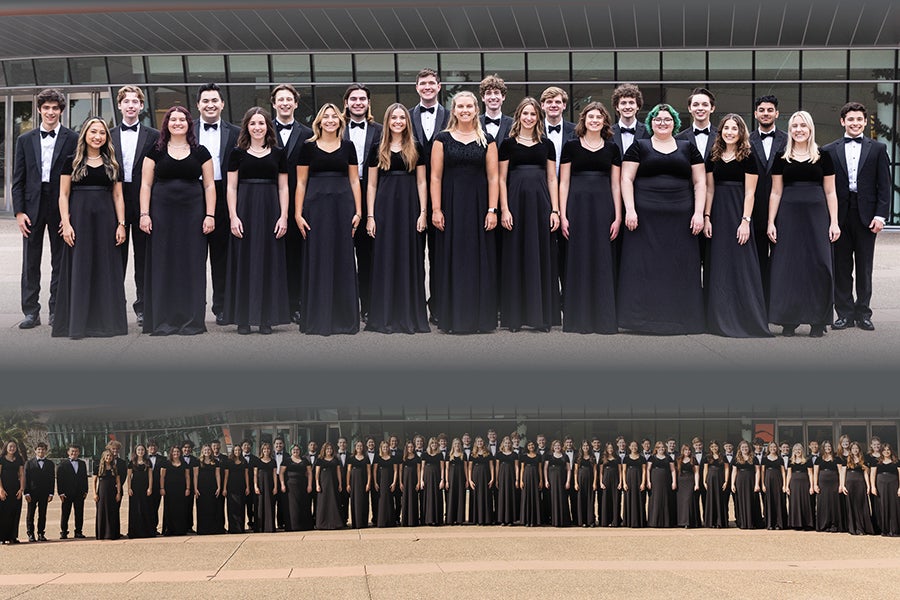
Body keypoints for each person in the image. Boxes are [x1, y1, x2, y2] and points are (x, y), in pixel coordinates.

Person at [619, 103, 706, 334]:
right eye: (657, 119)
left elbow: (700, 182)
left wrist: (699, 213)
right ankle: (642, 321)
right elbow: (626, 179)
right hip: (643, 221)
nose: (662, 123)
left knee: (679, 268)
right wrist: (630, 209)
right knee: (644, 268)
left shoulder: (688, 148)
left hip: (682, 221)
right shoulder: (639, 146)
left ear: (675, 123)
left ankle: (681, 319)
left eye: (667, 119)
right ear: (651, 123)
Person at [139, 105, 216, 335]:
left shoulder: (201, 151)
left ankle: (191, 320)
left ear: (189, 124)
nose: (178, 123)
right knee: (164, 263)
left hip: (193, 214)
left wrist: (210, 214)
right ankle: (163, 319)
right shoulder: (155, 151)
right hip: (162, 215)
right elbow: (146, 184)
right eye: (173, 119)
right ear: (167, 124)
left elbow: (210, 185)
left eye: (182, 119)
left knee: (191, 264)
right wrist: (144, 214)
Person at [52, 116, 128, 338]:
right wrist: (66, 223)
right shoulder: (71, 161)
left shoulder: (113, 163)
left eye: (102, 133)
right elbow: (63, 195)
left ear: (107, 137)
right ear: (85, 134)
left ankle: (106, 324)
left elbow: (118, 196)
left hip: (106, 222)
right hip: (80, 222)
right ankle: (78, 324)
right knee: (80, 268)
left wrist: (121, 224)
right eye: (93, 132)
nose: (98, 136)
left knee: (105, 268)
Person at [430, 91, 500, 333]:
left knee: (479, 258)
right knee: (453, 258)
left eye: (469, 106)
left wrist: (492, 209)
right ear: (454, 110)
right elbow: (435, 176)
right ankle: (453, 317)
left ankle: (480, 319)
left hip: (480, 205)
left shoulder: (487, 140)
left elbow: (494, 177)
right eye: (460, 106)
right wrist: (436, 209)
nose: (465, 110)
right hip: (451, 204)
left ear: (475, 109)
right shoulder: (442, 139)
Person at [767, 110, 841, 337]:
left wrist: (834, 222)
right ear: (789, 130)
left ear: (810, 128)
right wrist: (771, 221)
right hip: (788, 216)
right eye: (794, 126)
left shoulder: (824, 156)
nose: (799, 130)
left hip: (817, 216)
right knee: (787, 267)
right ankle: (789, 320)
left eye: (803, 126)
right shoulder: (781, 157)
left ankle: (818, 321)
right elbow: (776, 192)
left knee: (819, 266)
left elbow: (830, 192)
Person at [822, 102, 891, 332]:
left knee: (864, 267)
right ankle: (844, 313)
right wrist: (828, 219)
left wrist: (881, 216)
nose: (855, 123)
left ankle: (863, 313)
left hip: (867, 217)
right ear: (842, 121)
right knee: (841, 267)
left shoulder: (878, 149)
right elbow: (825, 188)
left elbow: (884, 185)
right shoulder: (829, 150)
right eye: (850, 119)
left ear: (864, 122)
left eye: (859, 120)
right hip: (840, 216)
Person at [13, 88, 78, 330]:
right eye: (46, 108)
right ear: (39, 110)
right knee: (30, 262)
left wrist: (70, 214)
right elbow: (18, 178)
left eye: (55, 108)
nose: (50, 112)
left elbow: (77, 178)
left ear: (61, 111)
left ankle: (56, 310)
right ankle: (31, 312)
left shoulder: (73, 138)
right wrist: (19, 212)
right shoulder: (24, 140)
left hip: (61, 204)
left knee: (61, 260)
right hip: (32, 206)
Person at [295, 103, 362, 335]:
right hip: (315, 208)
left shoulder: (348, 146)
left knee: (342, 257)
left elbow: (355, 180)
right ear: (319, 122)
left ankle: (344, 319)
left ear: (340, 121)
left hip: (343, 207)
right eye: (326, 117)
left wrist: (359, 211)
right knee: (318, 257)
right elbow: (301, 182)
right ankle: (318, 318)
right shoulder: (308, 147)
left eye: (335, 116)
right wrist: (297, 213)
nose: (331, 120)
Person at [702, 114, 772, 337]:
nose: (729, 132)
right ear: (720, 131)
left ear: (741, 132)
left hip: (739, 215)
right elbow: (710, 190)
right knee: (718, 265)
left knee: (741, 265)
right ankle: (717, 318)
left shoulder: (748, 156)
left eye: (734, 128)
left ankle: (743, 317)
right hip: (718, 215)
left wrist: (745, 221)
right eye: (726, 128)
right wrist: (706, 217)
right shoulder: (712, 156)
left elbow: (750, 192)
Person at [223, 107, 290, 334]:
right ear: (247, 127)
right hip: (245, 209)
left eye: (261, 123)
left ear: (268, 127)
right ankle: (243, 318)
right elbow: (231, 187)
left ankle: (266, 318)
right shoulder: (237, 153)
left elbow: (283, 187)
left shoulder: (279, 153)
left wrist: (283, 216)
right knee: (244, 261)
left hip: (271, 209)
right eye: (253, 123)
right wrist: (233, 216)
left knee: (269, 261)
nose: (257, 127)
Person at [364, 103, 429, 333]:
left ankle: (409, 315)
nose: (398, 121)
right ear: (388, 121)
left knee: (409, 258)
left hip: (410, 207)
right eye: (394, 118)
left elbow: (422, 182)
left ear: (407, 122)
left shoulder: (417, 147)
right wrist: (370, 216)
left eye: (402, 117)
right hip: (384, 207)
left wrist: (423, 213)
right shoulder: (376, 148)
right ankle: (385, 316)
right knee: (385, 258)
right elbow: (371, 184)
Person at [498, 97, 560, 332]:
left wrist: (555, 210)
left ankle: (540, 317)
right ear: (519, 116)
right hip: (515, 203)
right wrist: (504, 208)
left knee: (541, 255)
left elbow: (552, 178)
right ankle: (514, 318)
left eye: (533, 114)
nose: (529, 117)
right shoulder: (507, 144)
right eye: (525, 113)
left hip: (541, 204)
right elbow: (501, 179)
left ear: (538, 117)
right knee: (516, 256)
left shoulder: (547, 144)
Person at [559, 101, 621, 333]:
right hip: (577, 206)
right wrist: (563, 214)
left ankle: (603, 318)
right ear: (583, 120)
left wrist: (618, 216)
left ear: (605, 121)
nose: (594, 120)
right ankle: (578, 319)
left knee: (603, 259)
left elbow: (616, 185)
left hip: (604, 206)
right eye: (590, 117)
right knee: (578, 257)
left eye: (599, 117)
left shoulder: (612, 148)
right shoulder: (571, 146)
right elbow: (563, 182)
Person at [111, 85, 160, 326]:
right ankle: (113, 306)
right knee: (115, 256)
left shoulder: (154, 135)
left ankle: (143, 306)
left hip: (143, 199)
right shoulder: (107, 135)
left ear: (142, 106)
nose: (131, 105)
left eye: (135, 102)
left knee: (144, 256)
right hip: (115, 201)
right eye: (126, 101)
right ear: (119, 105)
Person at [192, 83, 240, 326]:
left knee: (221, 256)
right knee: (192, 255)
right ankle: (192, 307)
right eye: (205, 101)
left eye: (214, 101)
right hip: (192, 195)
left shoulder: (236, 132)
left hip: (223, 193)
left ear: (222, 104)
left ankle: (221, 306)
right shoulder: (185, 130)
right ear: (198, 105)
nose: (210, 105)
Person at [270, 83, 313, 324]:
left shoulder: (308, 134)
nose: (285, 103)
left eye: (289, 99)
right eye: (280, 99)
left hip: (299, 201)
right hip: (268, 199)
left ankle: (295, 304)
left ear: (296, 104)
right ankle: (273, 303)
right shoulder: (261, 130)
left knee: (296, 254)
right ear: (274, 103)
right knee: (273, 253)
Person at [409, 68, 449, 323]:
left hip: (445, 192)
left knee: (440, 253)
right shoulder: (405, 116)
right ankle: (411, 307)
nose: (427, 87)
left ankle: (439, 305)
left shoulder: (450, 115)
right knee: (412, 252)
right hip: (409, 193)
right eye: (423, 83)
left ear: (439, 86)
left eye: (431, 83)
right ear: (417, 87)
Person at [343, 84, 383, 323]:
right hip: (341, 197)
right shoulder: (335, 129)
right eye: (353, 99)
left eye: (362, 99)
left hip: (372, 199)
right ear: (346, 103)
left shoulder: (380, 131)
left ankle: (368, 306)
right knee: (342, 255)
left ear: (369, 103)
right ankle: (345, 306)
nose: (358, 102)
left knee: (369, 256)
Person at [748, 95, 787, 296]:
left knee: (782, 260)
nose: (765, 113)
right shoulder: (745, 141)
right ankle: (761, 305)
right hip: (753, 210)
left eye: (770, 110)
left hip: (784, 209)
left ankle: (778, 302)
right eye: (761, 110)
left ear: (777, 113)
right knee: (758, 259)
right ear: (755, 114)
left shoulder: (789, 140)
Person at [840, 441, 874, 535]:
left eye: (856, 448)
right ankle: (853, 528)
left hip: (860, 484)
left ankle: (861, 528)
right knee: (851, 505)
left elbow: (866, 474)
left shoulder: (864, 459)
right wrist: (842, 486)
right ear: (850, 450)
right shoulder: (846, 460)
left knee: (861, 505)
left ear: (859, 449)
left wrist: (868, 486)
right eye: (853, 448)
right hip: (849, 484)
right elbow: (843, 473)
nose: (855, 450)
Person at [23, 441, 54, 542]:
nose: (41, 451)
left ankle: (41, 533)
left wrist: (51, 493)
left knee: (42, 514)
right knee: (30, 514)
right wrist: (26, 492)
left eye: (43, 449)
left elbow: (52, 479)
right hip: (32, 492)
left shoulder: (50, 464)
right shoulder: (29, 463)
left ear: (46, 451)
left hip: (44, 493)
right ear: (35, 451)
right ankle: (30, 534)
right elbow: (26, 478)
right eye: (39, 449)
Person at [56, 444, 88, 540]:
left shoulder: (82, 464)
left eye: (76, 451)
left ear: (79, 452)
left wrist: (86, 490)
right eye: (72, 451)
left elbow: (84, 478)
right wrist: (60, 492)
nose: (74, 453)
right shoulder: (62, 464)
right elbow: (59, 480)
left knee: (79, 513)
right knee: (65, 513)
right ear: (68, 452)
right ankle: (64, 532)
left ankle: (78, 531)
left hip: (79, 492)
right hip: (66, 493)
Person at [676, 87, 717, 160]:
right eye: (695, 105)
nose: (700, 108)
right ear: (689, 108)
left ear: (712, 108)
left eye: (705, 105)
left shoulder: (721, 136)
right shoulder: (679, 139)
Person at [280, 444, 312, 532]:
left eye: (297, 449)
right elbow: (281, 473)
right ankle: (292, 526)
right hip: (290, 486)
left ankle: (304, 526)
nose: (296, 451)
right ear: (291, 450)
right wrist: (282, 484)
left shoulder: (305, 460)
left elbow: (309, 473)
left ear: (300, 451)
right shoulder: (286, 460)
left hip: (303, 485)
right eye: (294, 449)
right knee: (292, 506)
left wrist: (309, 485)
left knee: (303, 505)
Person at [814, 440, 844, 533]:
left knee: (834, 504)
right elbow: (815, 473)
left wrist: (841, 485)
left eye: (829, 446)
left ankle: (834, 524)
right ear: (823, 448)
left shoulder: (837, 458)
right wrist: (815, 484)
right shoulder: (818, 459)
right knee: (823, 503)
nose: (828, 448)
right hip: (822, 485)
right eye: (826, 447)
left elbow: (840, 472)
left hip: (834, 484)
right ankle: (824, 524)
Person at [870, 444, 900, 536]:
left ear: (891, 451)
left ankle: (894, 530)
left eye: (888, 450)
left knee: (894, 505)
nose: (886, 452)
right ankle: (884, 529)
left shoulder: (896, 461)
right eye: (884, 450)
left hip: (893, 485)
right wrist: (873, 487)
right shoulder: (876, 462)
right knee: (882, 505)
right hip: (880, 485)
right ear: (881, 451)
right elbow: (872, 475)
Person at [160, 445, 190, 536]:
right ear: (171, 453)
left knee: (181, 509)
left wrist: (188, 488)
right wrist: (162, 488)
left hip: (181, 489)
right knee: (169, 509)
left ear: (180, 453)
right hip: (169, 490)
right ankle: (169, 529)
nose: (176, 453)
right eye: (174, 452)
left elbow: (187, 477)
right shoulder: (166, 463)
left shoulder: (184, 463)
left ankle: (180, 529)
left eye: (177, 452)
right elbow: (162, 477)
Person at [125, 444, 154, 539]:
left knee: (145, 508)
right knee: (135, 509)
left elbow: (150, 476)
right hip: (135, 488)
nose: (140, 451)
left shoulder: (148, 461)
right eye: (139, 450)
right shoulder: (132, 462)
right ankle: (134, 532)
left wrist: (150, 487)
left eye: (142, 450)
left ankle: (146, 531)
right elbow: (129, 477)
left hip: (145, 488)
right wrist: (129, 488)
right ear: (135, 451)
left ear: (144, 451)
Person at [731, 440, 762, 529]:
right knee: (741, 501)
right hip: (740, 482)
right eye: (743, 447)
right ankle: (743, 522)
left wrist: (757, 484)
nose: (745, 449)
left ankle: (752, 522)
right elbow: (734, 471)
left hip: (751, 481)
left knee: (752, 500)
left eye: (746, 447)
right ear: (740, 449)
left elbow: (757, 472)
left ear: (749, 448)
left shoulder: (754, 458)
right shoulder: (736, 459)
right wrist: (732, 484)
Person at [194, 444, 223, 535]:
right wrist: (195, 488)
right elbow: (195, 476)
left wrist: (219, 487)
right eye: (205, 450)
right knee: (202, 509)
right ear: (202, 451)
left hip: (212, 488)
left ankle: (213, 529)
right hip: (201, 489)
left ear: (211, 451)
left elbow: (217, 475)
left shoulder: (215, 462)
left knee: (213, 508)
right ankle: (203, 530)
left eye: (208, 450)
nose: (207, 451)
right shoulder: (198, 462)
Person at [0, 441, 26, 544]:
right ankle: (2, 537)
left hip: (15, 489)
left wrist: (21, 489)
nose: (12, 448)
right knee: (3, 513)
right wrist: (0, 489)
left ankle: (13, 536)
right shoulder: (1, 459)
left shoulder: (19, 459)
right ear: (6, 447)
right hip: (4, 489)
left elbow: (21, 474)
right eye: (10, 446)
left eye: (14, 446)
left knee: (15, 513)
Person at [314, 443, 344, 530]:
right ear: (324, 450)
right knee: (323, 502)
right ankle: (322, 524)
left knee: (334, 502)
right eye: (327, 449)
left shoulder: (336, 460)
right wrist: (317, 484)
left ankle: (335, 523)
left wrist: (340, 484)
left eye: (330, 449)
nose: (329, 450)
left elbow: (338, 472)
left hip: (333, 483)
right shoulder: (319, 460)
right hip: (323, 484)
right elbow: (317, 474)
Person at [785, 443, 814, 530]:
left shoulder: (807, 461)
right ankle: (796, 523)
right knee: (795, 502)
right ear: (793, 451)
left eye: (799, 450)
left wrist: (811, 486)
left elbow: (810, 474)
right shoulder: (791, 461)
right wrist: (787, 486)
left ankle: (806, 523)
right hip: (794, 484)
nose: (797, 451)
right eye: (796, 450)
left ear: (802, 451)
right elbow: (789, 475)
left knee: (805, 502)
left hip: (805, 483)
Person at [93, 449, 121, 540]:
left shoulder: (115, 467)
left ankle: (112, 534)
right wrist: (94, 494)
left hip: (112, 492)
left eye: (110, 456)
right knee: (101, 512)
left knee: (112, 512)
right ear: (104, 457)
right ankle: (102, 534)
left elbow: (118, 482)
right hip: (101, 493)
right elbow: (94, 481)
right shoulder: (98, 467)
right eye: (107, 456)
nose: (109, 457)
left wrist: (118, 493)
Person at [646, 441, 675, 528]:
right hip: (655, 482)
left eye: (662, 447)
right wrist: (648, 481)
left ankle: (666, 522)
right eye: (659, 447)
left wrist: (674, 482)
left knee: (666, 499)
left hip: (666, 481)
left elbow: (673, 470)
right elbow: (648, 470)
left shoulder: (669, 458)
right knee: (656, 499)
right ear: (656, 448)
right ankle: (654, 522)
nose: (661, 449)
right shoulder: (652, 457)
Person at [543, 439, 571, 527]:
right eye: (555, 446)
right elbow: (545, 469)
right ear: (553, 447)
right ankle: (554, 520)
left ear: (561, 446)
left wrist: (568, 481)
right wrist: (546, 480)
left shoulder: (565, 456)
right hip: (552, 481)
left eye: (558, 445)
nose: (557, 447)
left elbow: (569, 470)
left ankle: (564, 520)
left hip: (562, 481)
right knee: (553, 499)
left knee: (562, 499)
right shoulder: (549, 456)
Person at [760, 442, 787, 530]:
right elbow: (762, 472)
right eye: (771, 447)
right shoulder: (764, 459)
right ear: (768, 448)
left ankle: (779, 524)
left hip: (778, 481)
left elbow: (783, 472)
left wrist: (784, 485)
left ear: (777, 448)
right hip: (768, 481)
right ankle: (770, 524)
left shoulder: (780, 459)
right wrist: (763, 484)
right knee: (769, 501)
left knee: (778, 501)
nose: (773, 448)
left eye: (774, 446)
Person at [468, 437, 494, 525]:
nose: (480, 442)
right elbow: (469, 468)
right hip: (476, 477)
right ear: (475, 443)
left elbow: (491, 467)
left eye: (481, 441)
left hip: (486, 477)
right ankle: (477, 519)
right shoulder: (472, 454)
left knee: (486, 496)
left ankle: (486, 519)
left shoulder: (488, 453)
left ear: (483, 442)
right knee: (476, 497)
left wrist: (492, 478)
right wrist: (470, 480)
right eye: (478, 441)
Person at [223, 444, 249, 533]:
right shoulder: (229, 461)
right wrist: (224, 488)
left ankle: (241, 528)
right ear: (233, 451)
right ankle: (232, 528)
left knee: (241, 507)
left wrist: (247, 487)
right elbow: (226, 476)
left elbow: (246, 475)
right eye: (236, 450)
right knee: (232, 507)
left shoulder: (244, 461)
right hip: (231, 487)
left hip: (241, 486)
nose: (237, 452)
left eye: (239, 450)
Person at [480, 74, 513, 142]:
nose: (493, 97)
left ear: (503, 97)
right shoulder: (475, 123)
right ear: (483, 98)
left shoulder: (513, 124)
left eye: (496, 93)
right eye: (488, 93)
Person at [703, 441, 729, 528]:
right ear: (710, 448)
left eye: (716, 446)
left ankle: (720, 522)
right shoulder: (707, 457)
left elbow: (726, 469)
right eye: (712, 447)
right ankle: (711, 522)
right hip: (710, 480)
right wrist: (704, 481)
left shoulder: (723, 457)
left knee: (720, 500)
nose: (714, 448)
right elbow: (705, 470)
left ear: (718, 447)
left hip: (720, 479)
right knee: (711, 500)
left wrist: (726, 481)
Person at [621, 440, 647, 528]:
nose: (634, 447)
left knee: (639, 500)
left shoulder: (642, 458)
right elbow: (623, 471)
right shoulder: (626, 458)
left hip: (639, 480)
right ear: (629, 447)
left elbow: (644, 471)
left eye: (635, 446)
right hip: (629, 481)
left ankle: (639, 522)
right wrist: (624, 483)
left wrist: (643, 483)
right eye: (632, 446)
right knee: (629, 500)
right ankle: (629, 522)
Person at [494, 437, 519, 526]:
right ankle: (502, 519)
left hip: (511, 476)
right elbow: (497, 467)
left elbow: (516, 467)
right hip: (502, 476)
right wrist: (496, 479)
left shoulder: (514, 454)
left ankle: (510, 519)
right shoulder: (499, 454)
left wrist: (517, 479)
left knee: (510, 496)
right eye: (506, 443)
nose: (507, 445)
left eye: (509, 443)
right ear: (503, 444)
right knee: (502, 496)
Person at [254, 442, 278, 533]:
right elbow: (255, 475)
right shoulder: (257, 461)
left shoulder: (273, 461)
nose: (266, 451)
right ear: (262, 450)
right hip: (260, 485)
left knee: (270, 505)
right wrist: (256, 486)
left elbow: (275, 475)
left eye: (268, 449)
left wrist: (275, 487)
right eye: (264, 449)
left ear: (270, 450)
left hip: (270, 485)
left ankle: (269, 527)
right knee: (260, 505)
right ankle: (259, 527)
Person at [420, 437, 444, 526]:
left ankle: (437, 519)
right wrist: (421, 480)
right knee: (427, 497)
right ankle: (427, 519)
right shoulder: (424, 454)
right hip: (426, 478)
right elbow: (422, 468)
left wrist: (442, 480)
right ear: (429, 444)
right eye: (432, 443)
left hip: (437, 478)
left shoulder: (440, 455)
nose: (434, 444)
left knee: (436, 497)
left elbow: (442, 468)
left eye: (435, 443)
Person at [346, 440, 371, 529]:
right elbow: (348, 471)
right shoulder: (351, 458)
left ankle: (364, 523)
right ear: (355, 447)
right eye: (357, 446)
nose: (359, 448)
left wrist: (368, 483)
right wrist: (348, 484)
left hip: (364, 482)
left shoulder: (366, 458)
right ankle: (355, 523)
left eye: (361, 446)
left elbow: (369, 472)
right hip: (354, 483)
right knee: (355, 502)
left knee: (364, 502)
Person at [373, 441, 397, 527]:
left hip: (390, 480)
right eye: (384, 447)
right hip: (381, 481)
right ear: (381, 448)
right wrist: (375, 482)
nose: (385, 448)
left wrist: (394, 482)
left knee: (390, 500)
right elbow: (374, 471)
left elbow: (395, 471)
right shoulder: (377, 457)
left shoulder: (393, 458)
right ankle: (382, 521)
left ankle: (390, 521)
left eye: (387, 447)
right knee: (382, 500)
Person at [572, 440, 596, 527]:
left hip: (590, 481)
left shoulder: (592, 457)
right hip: (580, 481)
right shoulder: (577, 457)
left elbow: (595, 470)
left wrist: (594, 483)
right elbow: (575, 471)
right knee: (581, 500)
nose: (585, 447)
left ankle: (590, 521)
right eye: (584, 446)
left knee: (590, 500)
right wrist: (575, 483)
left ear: (589, 447)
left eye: (587, 446)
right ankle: (582, 521)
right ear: (581, 447)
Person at [675, 444, 700, 528]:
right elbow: (675, 472)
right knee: (681, 502)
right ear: (683, 451)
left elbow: (696, 472)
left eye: (689, 450)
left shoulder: (693, 459)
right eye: (685, 450)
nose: (687, 451)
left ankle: (689, 522)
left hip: (690, 481)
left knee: (688, 501)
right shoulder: (678, 460)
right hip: (680, 482)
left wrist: (696, 484)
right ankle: (681, 522)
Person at [518, 440, 542, 527]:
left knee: (535, 497)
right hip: (526, 477)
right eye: (529, 445)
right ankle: (526, 520)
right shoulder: (524, 456)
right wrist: (521, 480)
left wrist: (541, 480)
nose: (531, 446)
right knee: (526, 497)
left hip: (535, 477)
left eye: (532, 444)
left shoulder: (538, 456)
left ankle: (534, 520)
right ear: (527, 447)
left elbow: (539, 469)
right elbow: (522, 469)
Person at [599, 443, 622, 527]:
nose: (610, 449)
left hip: (615, 481)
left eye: (611, 448)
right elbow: (601, 472)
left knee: (615, 500)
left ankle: (615, 521)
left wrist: (620, 482)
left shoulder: (618, 458)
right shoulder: (603, 458)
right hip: (605, 481)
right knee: (606, 500)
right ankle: (606, 521)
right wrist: (601, 482)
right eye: (609, 448)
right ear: (606, 449)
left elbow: (620, 471)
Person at [444, 438, 467, 525]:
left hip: (461, 478)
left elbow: (465, 468)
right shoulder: (448, 455)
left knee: (460, 497)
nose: (457, 445)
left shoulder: (463, 455)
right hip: (451, 478)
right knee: (451, 497)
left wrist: (467, 479)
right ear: (453, 445)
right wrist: (446, 481)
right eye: (455, 444)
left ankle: (460, 519)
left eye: (458, 444)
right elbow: (446, 469)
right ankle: (450, 519)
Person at [399, 442, 421, 527]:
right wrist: (400, 482)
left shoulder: (417, 458)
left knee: (413, 499)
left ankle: (413, 521)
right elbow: (400, 471)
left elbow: (419, 470)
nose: (410, 448)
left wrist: (418, 482)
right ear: (406, 448)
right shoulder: (403, 458)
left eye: (412, 447)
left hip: (414, 480)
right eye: (409, 447)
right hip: (405, 480)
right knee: (405, 500)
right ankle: (405, 521)